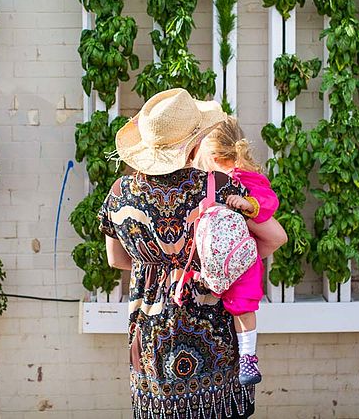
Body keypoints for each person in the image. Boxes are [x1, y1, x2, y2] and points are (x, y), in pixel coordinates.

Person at [99, 88, 288, 419]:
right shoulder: (219, 187)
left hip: (150, 344)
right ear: (195, 142)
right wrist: (229, 262)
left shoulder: (118, 194)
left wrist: (155, 264)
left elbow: (116, 260)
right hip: (215, 343)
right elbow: (275, 237)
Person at [195, 117, 279, 386]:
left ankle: (248, 356)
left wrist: (248, 204)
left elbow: (269, 200)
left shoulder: (243, 179)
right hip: (217, 262)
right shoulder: (208, 182)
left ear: (215, 155)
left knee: (243, 306)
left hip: (240, 262)